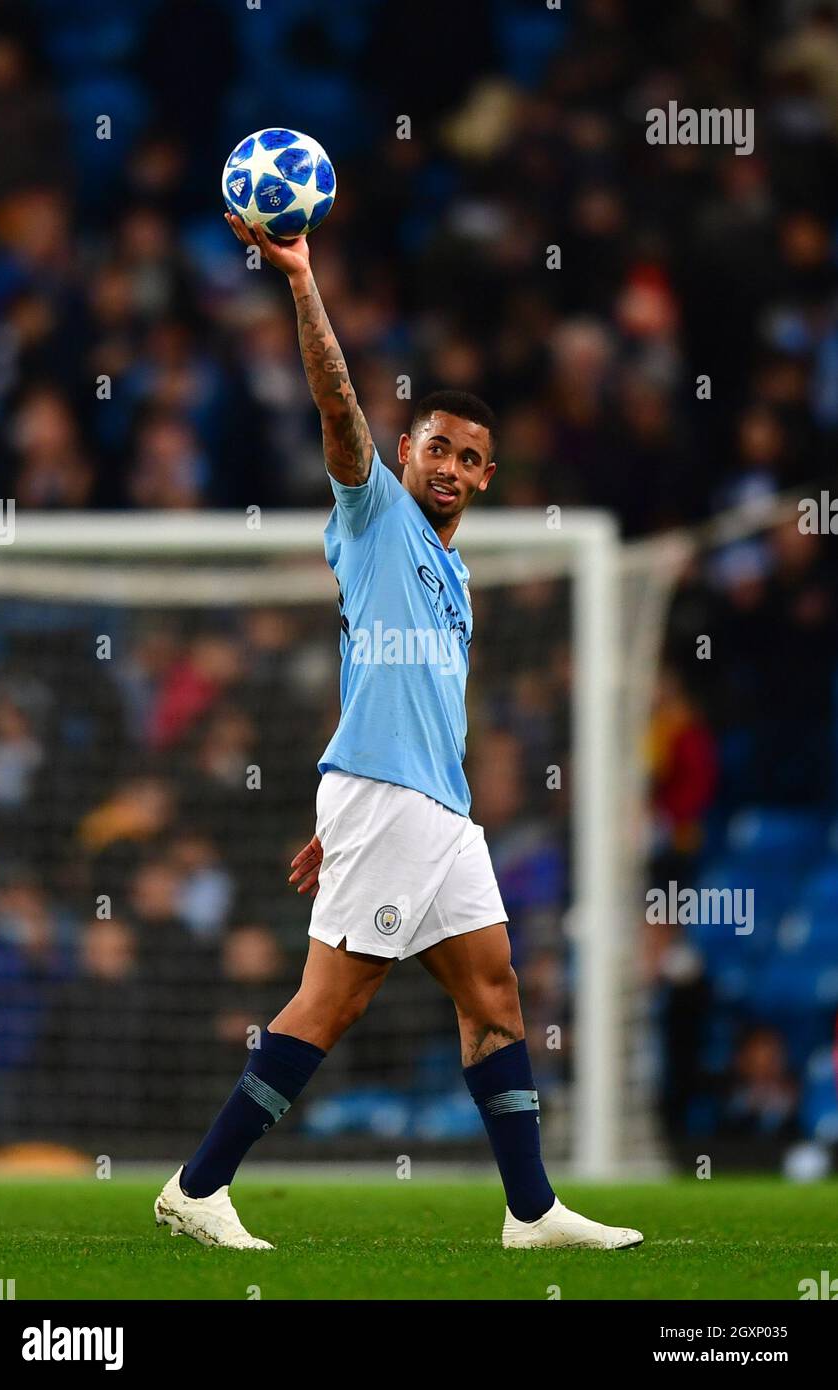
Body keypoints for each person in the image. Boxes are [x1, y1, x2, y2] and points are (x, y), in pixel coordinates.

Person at [154, 214, 642, 1252]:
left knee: (495, 993)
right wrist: (299, 278)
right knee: (328, 1006)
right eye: (437, 447)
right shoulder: (374, 514)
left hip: (425, 804)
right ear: (404, 450)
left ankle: (530, 1210)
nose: (453, 466)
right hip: (389, 800)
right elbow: (335, 398)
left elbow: (387, 689)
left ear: (487, 476)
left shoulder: (453, 572)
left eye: (472, 457)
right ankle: (198, 1185)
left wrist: (344, 813)